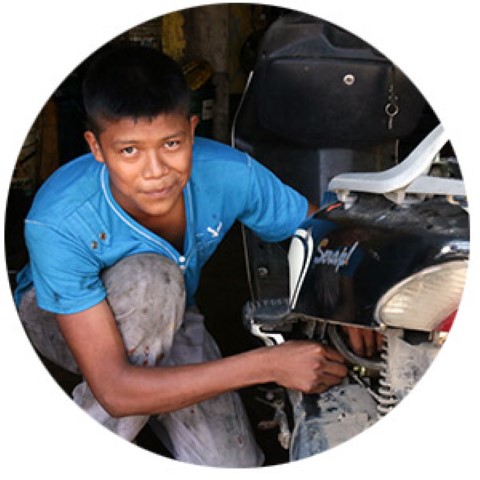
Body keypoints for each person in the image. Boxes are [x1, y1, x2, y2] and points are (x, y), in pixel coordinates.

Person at [14, 43, 379, 467]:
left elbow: (321, 236)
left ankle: (155, 389)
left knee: (233, 465)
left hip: (171, 313)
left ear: (191, 130)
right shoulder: (58, 219)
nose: (155, 171)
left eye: (171, 144)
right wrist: (269, 364)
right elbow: (114, 389)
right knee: (153, 283)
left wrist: (350, 298)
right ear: (96, 148)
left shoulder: (227, 172)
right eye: (129, 150)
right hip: (61, 320)